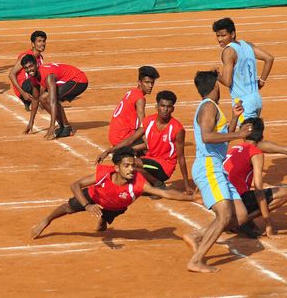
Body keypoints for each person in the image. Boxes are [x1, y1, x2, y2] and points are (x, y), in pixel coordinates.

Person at [30, 147, 196, 239]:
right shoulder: (104, 174)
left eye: (132, 165)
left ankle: (104, 218)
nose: (131, 169)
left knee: (106, 221)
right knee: (68, 207)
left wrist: (192, 198)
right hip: (95, 196)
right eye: (126, 166)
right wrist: (87, 205)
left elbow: (165, 193)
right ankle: (46, 221)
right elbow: (76, 185)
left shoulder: (138, 182)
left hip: (117, 204)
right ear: (116, 168)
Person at [183, 70, 251, 273]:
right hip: (209, 166)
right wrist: (239, 133)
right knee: (224, 215)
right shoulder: (208, 107)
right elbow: (207, 137)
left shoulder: (212, 108)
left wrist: (233, 118)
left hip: (217, 167)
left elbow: (221, 136)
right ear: (214, 86)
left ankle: (197, 236)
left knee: (239, 215)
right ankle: (196, 260)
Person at [212, 17, 287, 173]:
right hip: (256, 98)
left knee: (252, 141)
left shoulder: (228, 52)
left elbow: (226, 80)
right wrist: (262, 80)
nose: (220, 39)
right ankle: (251, 172)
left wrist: (215, 75)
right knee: (252, 139)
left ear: (232, 34)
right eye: (218, 35)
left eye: (223, 35)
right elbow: (269, 58)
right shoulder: (248, 45)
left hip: (243, 102)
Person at [97, 91, 194, 194]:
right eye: (162, 106)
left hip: (165, 167)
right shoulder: (149, 121)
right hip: (149, 160)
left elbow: (181, 157)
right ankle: (151, 186)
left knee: (132, 164)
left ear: (173, 109)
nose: (165, 110)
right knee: (123, 164)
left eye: (168, 107)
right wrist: (108, 151)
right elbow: (131, 139)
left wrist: (186, 185)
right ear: (157, 106)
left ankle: (157, 183)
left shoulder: (177, 129)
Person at [223, 117, 287, 238]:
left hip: (221, 199)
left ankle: (237, 219)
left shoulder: (234, 148)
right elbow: (259, 189)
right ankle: (238, 221)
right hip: (236, 200)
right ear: (261, 136)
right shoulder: (255, 153)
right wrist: (268, 223)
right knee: (284, 193)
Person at [21, 55, 88, 139]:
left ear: (36, 64)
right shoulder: (33, 77)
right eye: (26, 68)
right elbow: (35, 99)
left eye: (31, 66)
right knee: (43, 99)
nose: (29, 70)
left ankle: (66, 127)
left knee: (49, 98)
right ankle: (63, 125)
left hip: (79, 79)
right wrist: (31, 123)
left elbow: (52, 101)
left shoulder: (47, 76)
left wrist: (52, 126)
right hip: (68, 79)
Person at [108, 66, 160, 147]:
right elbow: (143, 124)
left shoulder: (131, 92)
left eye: (152, 82)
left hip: (114, 136)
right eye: (147, 82)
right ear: (139, 82)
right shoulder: (140, 99)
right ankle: (128, 150)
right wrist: (148, 143)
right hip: (121, 138)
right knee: (156, 143)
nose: (150, 86)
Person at [8, 31, 47, 111]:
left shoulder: (40, 58)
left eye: (44, 41)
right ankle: (31, 100)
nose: (42, 43)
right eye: (39, 41)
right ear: (33, 44)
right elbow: (11, 74)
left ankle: (33, 101)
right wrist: (22, 93)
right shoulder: (26, 56)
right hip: (24, 87)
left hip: (32, 85)